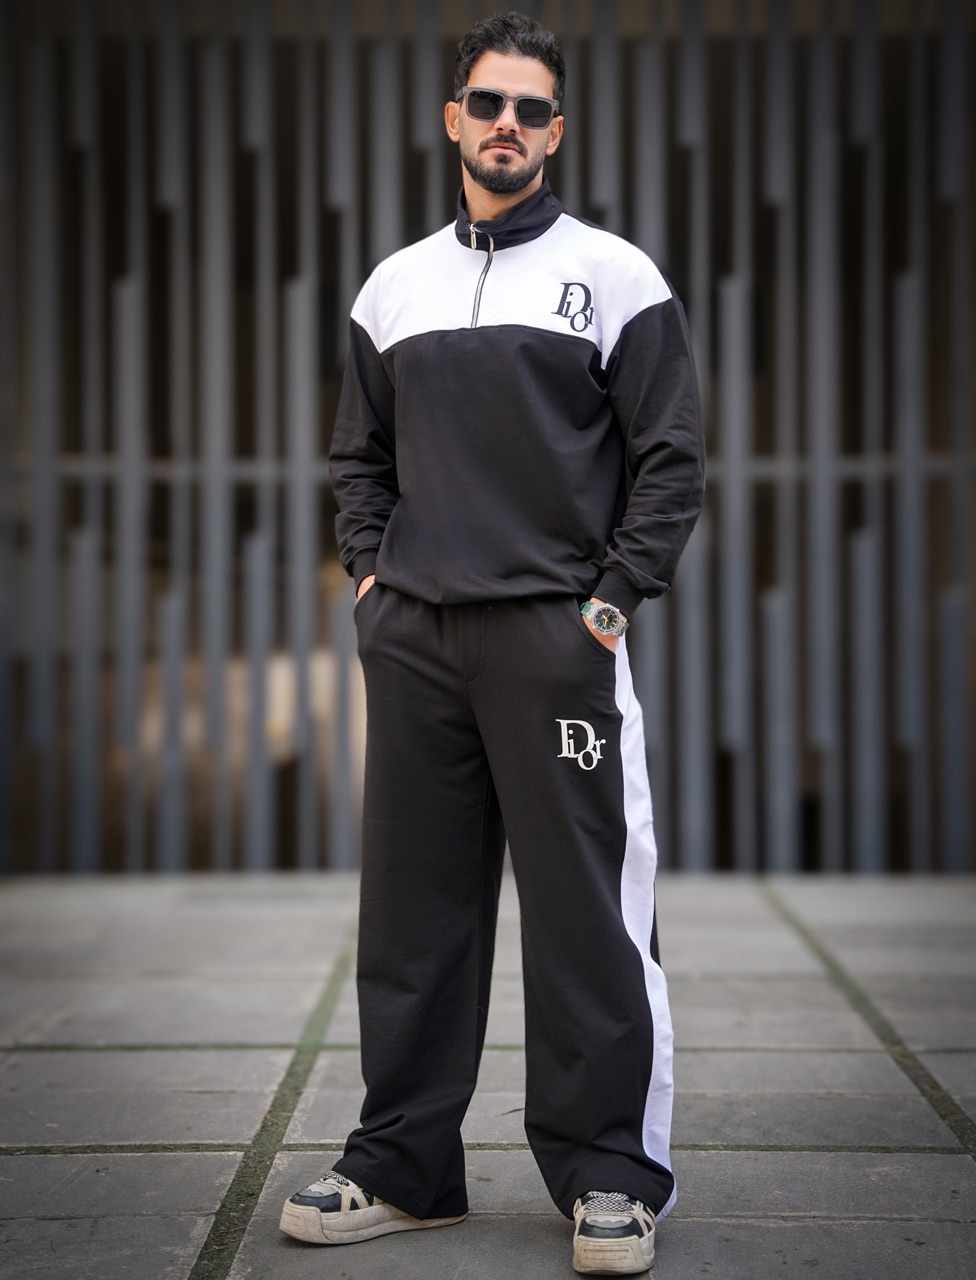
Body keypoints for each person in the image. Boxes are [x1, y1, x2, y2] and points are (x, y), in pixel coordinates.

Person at [279, 11, 704, 1275]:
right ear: (452, 117)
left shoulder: (614, 276)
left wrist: (609, 602)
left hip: (554, 638)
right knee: (413, 914)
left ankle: (610, 1172)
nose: (505, 124)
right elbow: (358, 456)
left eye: (529, 108)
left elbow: (670, 461)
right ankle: (403, 1166)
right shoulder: (392, 287)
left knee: (585, 912)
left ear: (554, 131)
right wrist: (373, 580)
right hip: (415, 639)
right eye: (486, 102)